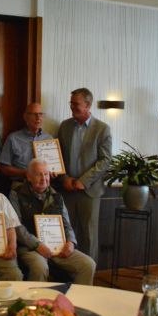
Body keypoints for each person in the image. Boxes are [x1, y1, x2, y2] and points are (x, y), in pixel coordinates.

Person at [9, 158, 96, 284]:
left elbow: (67, 224)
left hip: (58, 247)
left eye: (46, 174)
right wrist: (37, 245)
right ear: (29, 177)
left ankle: (75, 296)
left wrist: (71, 242)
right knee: (40, 267)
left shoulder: (57, 196)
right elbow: (17, 227)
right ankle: (35, 297)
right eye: (39, 174)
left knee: (88, 265)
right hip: (30, 248)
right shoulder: (16, 194)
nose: (43, 178)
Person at [57, 88, 112, 261]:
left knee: (89, 236)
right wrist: (64, 178)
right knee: (67, 234)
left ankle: (88, 274)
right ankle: (70, 272)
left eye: (76, 104)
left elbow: (105, 160)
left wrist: (83, 181)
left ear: (87, 105)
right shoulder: (65, 126)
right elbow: (58, 157)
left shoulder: (102, 129)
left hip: (90, 191)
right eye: (71, 103)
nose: (72, 107)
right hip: (67, 190)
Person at [0, 102, 54, 181]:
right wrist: (26, 173)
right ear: (25, 117)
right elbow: (4, 168)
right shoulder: (13, 138)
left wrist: (54, 172)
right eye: (34, 114)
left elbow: (54, 167)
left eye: (40, 114)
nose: (38, 118)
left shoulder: (49, 139)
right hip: (21, 184)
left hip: (44, 184)